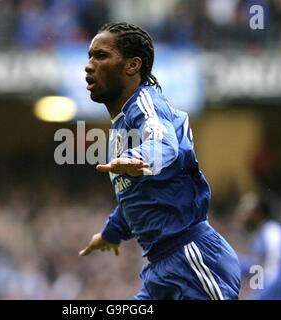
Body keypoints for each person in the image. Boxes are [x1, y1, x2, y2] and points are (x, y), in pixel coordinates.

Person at [79, 22, 241, 300]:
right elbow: (138, 199)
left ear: (132, 65)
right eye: (90, 56)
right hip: (161, 270)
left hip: (193, 260)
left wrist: (138, 156)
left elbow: (164, 144)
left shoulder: (146, 104)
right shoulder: (122, 126)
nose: (89, 65)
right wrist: (111, 233)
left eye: (101, 56)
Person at [237, 192, 281, 300]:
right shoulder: (257, 237)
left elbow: (276, 271)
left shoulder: (272, 232)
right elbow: (258, 269)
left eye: (245, 210)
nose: (241, 214)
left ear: (258, 213)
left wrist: (258, 297)